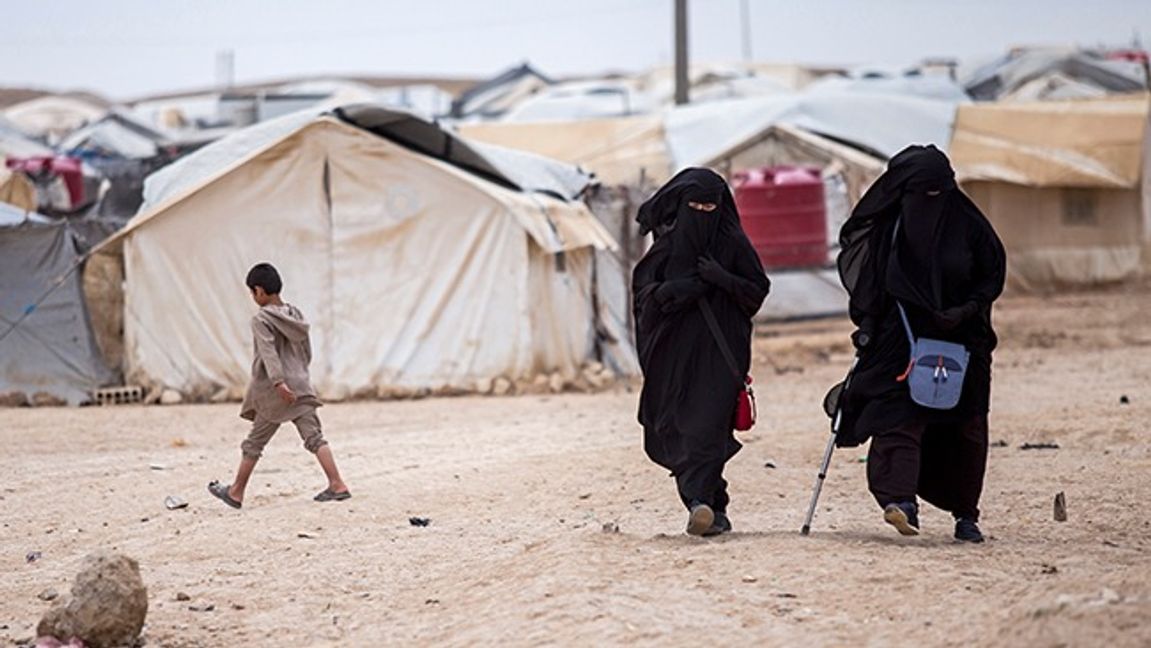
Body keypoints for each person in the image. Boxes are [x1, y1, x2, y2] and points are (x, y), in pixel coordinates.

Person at [835, 145, 1005, 542]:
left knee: (965, 427)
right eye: (920, 194)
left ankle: (966, 515)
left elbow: (991, 276)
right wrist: (869, 328)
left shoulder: (970, 225)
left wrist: (965, 310)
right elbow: (874, 286)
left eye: (938, 192)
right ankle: (901, 502)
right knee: (898, 415)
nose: (930, 203)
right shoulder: (890, 229)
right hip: (901, 336)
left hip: (963, 338)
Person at [632, 168, 770, 536]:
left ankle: (699, 503)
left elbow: (757, 290)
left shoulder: (734, 245)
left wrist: (720, 278)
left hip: (720, 356)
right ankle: (713, 506)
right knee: (680, 428)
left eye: (711, 206)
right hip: (672, 357)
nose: (703, 213)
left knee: (707, 428)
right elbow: (644, 295)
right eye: (696, 206)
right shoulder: (666, 248)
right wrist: (674, 290)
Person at [208, 263, 350, 509]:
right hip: (301, 384)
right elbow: (307, 350)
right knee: (315, 437)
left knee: (254, 443)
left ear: (260, 291)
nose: (253, 297)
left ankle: (236, 492)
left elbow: (268, 353)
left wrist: (279, 382)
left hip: (276, 391)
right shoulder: (295, 315)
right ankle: (337, 484)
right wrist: (300, 374)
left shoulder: (261, 319)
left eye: (253, 293)